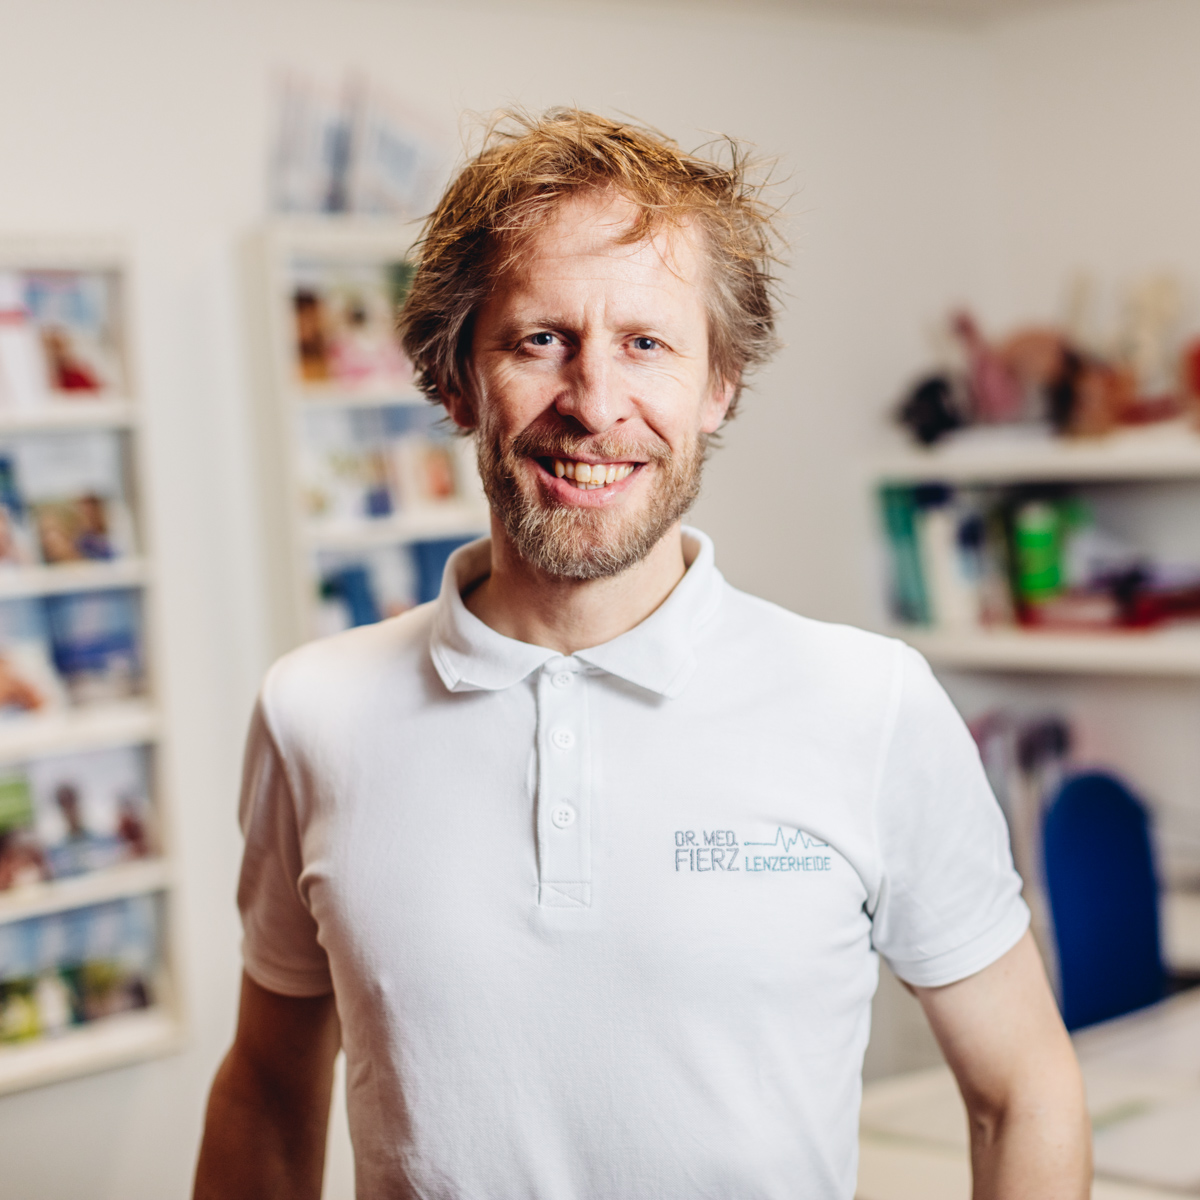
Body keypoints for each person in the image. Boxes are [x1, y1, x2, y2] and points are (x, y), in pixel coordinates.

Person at [194, 109, 1089, 1199]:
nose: (595, 405)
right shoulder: (314, 711)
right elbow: (267, 1093)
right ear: (456, 379)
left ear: (719, 386)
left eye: (647, 344)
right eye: (540, 340)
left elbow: (1023, 1090)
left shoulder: (870, 703)